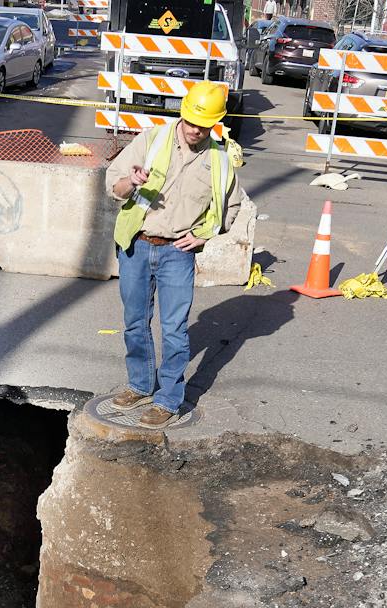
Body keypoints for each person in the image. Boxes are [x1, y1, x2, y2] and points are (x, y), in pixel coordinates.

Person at [103, 81, 243, 429]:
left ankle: (167, 399)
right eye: (191, 121)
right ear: (182, 113)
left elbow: (232, 207)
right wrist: (131, 183)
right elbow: (114, 185)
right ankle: (139, 384)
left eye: (204, 124)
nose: (195, 130)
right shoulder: (151, 142)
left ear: (214, 123)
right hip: (136, 244)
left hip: (176, 254)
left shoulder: (219, 161)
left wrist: (204, 235)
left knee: (175, 330)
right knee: (136, 322)